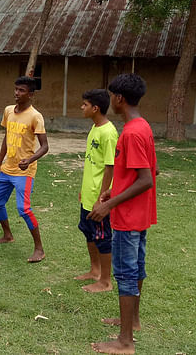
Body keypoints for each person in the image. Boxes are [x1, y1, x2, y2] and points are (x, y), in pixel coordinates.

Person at [88, 73, 158, 355]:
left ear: (119, 98)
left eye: (111, 96)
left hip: (128, 218)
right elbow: (146, 170)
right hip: (138, 214)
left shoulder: (131, 133)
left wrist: (109, 203)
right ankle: (133, 321)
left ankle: (125, 342)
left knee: (127, 274)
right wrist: (112, 190)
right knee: (136, 268)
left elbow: (146, 179)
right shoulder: (143, 127)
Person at [0, 76, 48, 263]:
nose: (17, 93)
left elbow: (45, 146)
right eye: (16, 89)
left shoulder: (35, 116)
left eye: (21, 90)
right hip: (7, 168)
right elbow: (6, 138)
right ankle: (7, 235)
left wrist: (30, 160)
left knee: (23, 209)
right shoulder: (8, 111)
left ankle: (39, 248)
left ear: (31, 94)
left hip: (25, 171)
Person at [75, 89, 118, 293]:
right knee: (88, 232)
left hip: (99, 198)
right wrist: (85, 191)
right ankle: (95, 271)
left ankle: (106, 281)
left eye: (84, 104)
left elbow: (110, 166)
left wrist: (102, 198)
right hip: (88, 194)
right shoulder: (95, 128)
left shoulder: (108, 133)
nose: (81, 108)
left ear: (95, 108)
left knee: (102, 237)